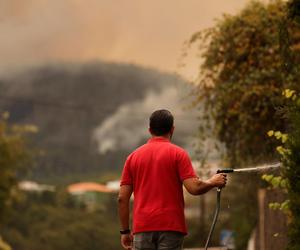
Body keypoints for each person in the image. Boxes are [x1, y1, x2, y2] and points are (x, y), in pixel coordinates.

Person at [118, 109, 227, 250]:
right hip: (171, 227)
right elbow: (194, 188)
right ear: (172, 129)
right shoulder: (178, 154)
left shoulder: (133, 157)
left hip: (142, 227)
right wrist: (212, 182)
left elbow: (122, 198)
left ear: (150, 130)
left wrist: (125, 232)